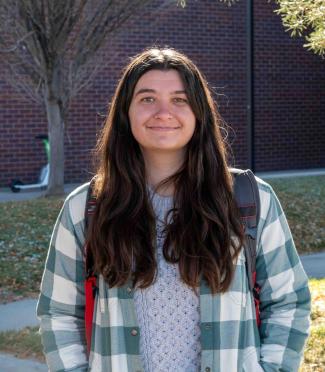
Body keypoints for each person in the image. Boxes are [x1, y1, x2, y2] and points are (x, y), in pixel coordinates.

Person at [37, 47, 311, 372]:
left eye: (180, 100)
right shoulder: (86, 208)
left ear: (199, 113)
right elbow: (59, 313)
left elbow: (289, 301)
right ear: (126, 112)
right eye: (148, 99)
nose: (163, 112)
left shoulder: (249, 201)